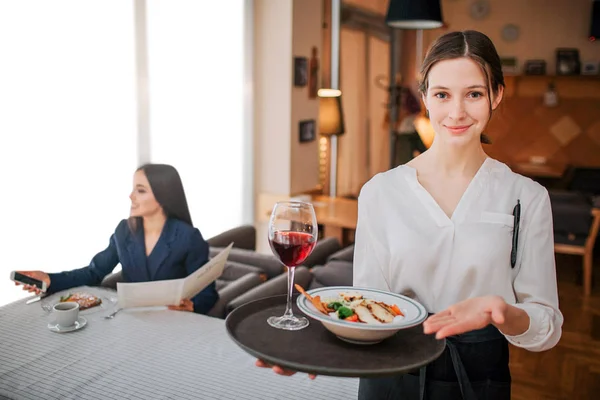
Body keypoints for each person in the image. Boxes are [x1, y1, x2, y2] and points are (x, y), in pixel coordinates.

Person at [257, 30, 563, 399]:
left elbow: (546, 326)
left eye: (474, 94)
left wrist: (501, 312)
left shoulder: (527, 197)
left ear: (496, 95)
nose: (457, 112)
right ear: (425, 99)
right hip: (391, 371)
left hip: (478, 376)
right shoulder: (380, 192)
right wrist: (312, 352)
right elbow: (365, 307)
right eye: (442, 95)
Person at [13, 163, 219, 315]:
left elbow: (207, 292)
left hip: (173, 322)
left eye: (140, 190)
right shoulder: (124, 231)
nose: (131, 196)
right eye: (133, 189)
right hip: (132, 321)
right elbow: (94, 272)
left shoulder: (188, 237)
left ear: (162, 196)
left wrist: (193, 306)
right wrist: (50, 279)